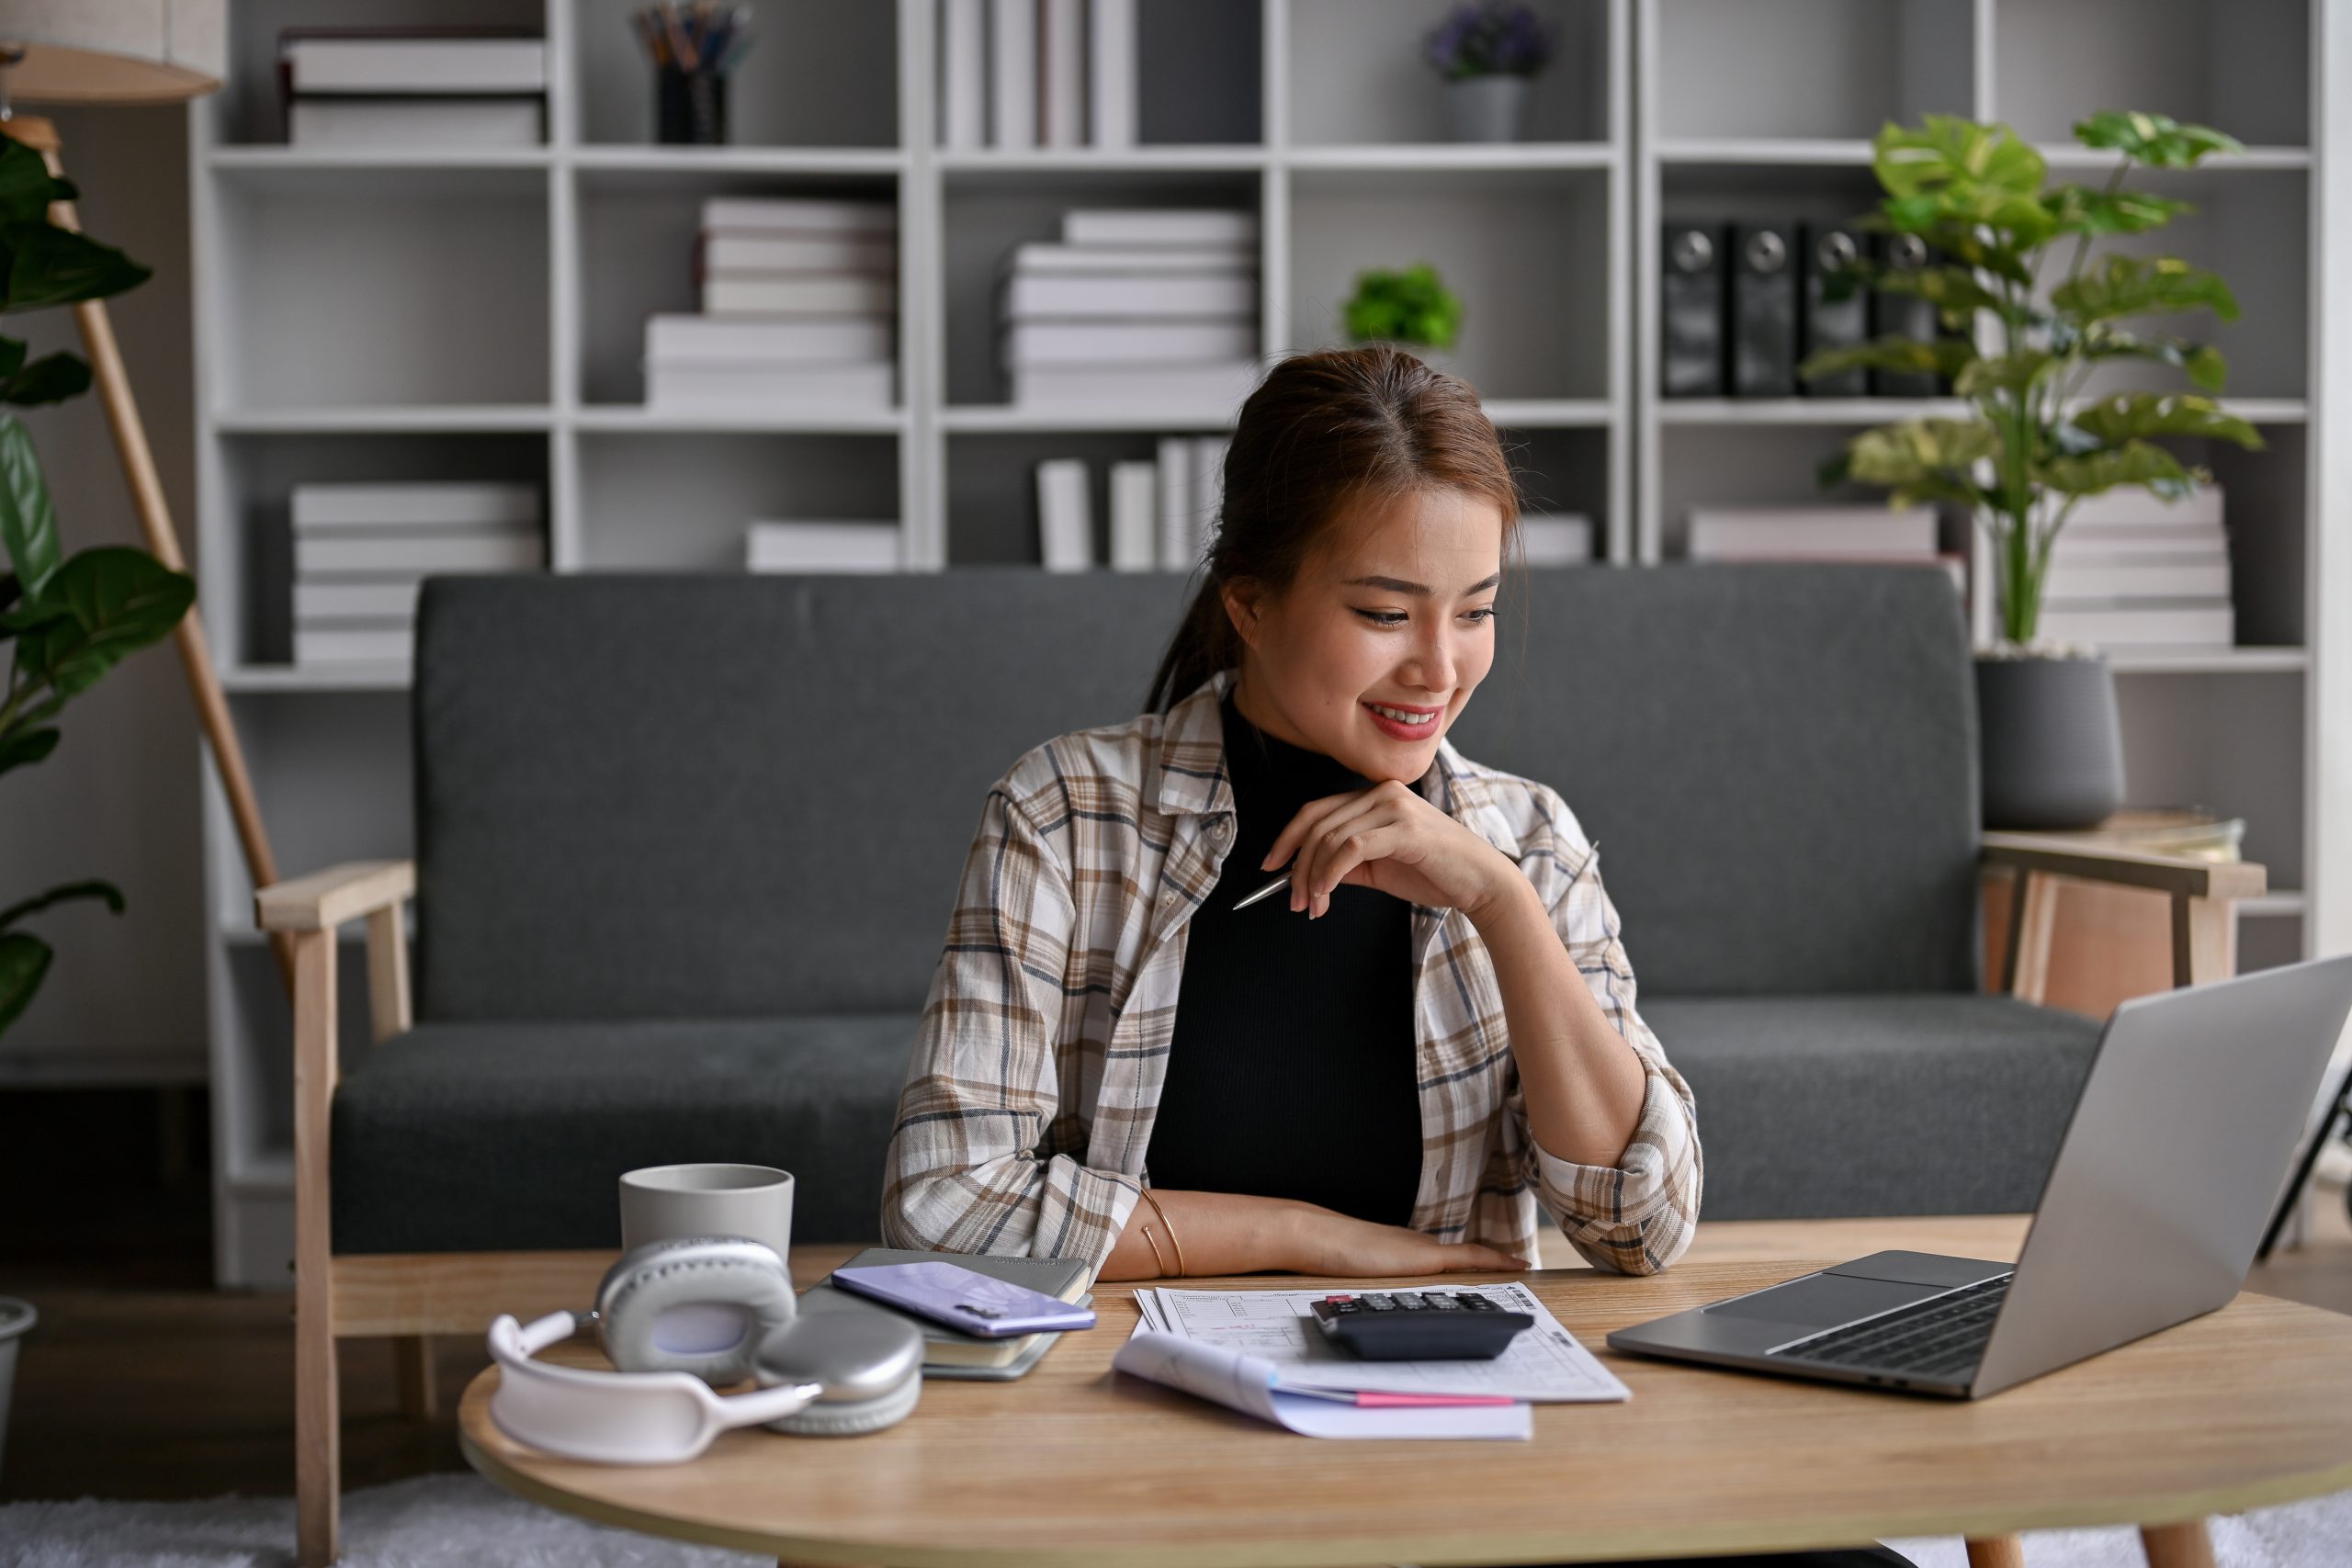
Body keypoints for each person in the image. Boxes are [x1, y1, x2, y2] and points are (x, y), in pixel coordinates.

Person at [881, 344, 1911, 1568]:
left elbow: (1638, 1224)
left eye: (1474, 611)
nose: (1439, 668)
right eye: (1384, 613)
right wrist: (1322, 1244)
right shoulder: (1067, 813)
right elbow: (945, 1211)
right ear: (1249, 603)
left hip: (1464, 1454)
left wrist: (1500, 902)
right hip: (1155, 1451)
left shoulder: (1525, 834)